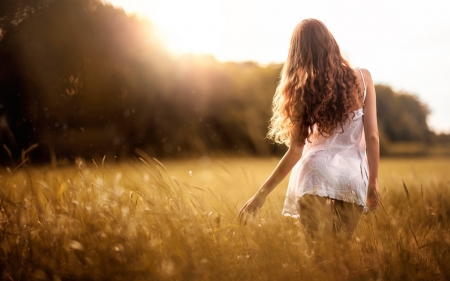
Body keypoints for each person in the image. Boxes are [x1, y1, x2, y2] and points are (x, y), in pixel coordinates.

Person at [238, 19, 379, 241]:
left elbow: (296, 150)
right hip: (352, 177)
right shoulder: (364, 78)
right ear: (330, 43)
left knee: (318, 256)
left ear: (297, 53)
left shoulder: (303, 89)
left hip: (315, 173)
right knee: (340, 254)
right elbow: (372, 137)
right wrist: (373, 182)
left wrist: (260, 195)